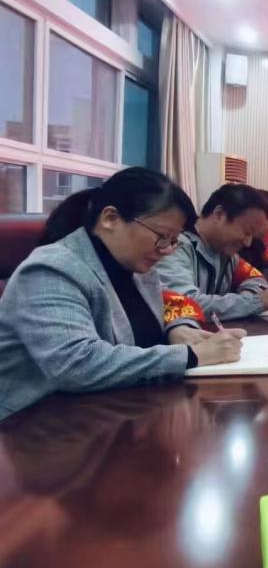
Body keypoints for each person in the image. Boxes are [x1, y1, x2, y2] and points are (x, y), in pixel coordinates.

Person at [0, 168, 244, 420]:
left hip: (108, 410)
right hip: (31, 423)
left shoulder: (136, 265)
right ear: (110, 218)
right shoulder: (52, 269)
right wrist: (192, 355)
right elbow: (75, 364)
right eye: (162, 237)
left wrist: (177, 328)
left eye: (174, 240)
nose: (167, 250)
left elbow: (170, 301)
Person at [155, 183, 268, 320]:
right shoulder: (175, 248)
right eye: (246, 232)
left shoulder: (226, 254)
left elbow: (256, 278)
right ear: (219, 215)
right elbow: (182, 304)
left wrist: (247, 298)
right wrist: (252, 303)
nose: (247, 243)